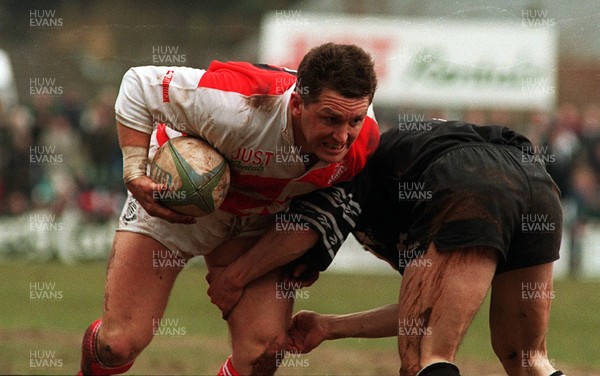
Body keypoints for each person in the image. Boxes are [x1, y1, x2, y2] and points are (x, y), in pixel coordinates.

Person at [78, 42, 380, 376]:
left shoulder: (364, 141)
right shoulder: (239, 102)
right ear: (296, 104)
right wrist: (135, 173)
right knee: (117, 345)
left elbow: (329, 209)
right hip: (174, 203)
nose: (342, 136)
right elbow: (138, 84)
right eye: (330, 119)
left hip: (255, 221)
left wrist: (310, 257)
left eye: (354, 119)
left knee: (264, 351)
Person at [208, 120, 566, 376]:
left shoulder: (342, 173)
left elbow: (300, 232)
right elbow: (424, 307)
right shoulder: (394, 190)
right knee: (527, 360)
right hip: (535, 183)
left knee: (424, 360)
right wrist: (330, 326)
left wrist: (236, 277)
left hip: (469, 176)